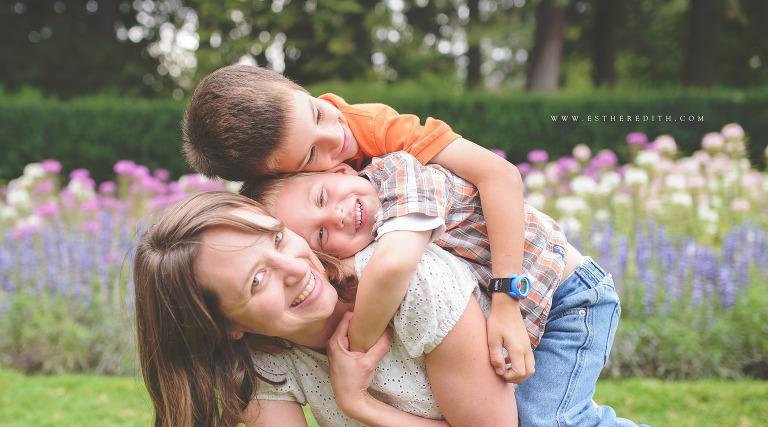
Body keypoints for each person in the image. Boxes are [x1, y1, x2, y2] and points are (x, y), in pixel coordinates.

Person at [244, 151, 751, 427]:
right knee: (538, 421)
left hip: (563, 295)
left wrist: (356, 370)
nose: (334, 216)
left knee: (550, 426)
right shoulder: (338, 273)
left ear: (338, 168)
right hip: (520, 319)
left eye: (280, 240)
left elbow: (494, 178)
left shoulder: (399, 199)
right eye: (317, 234)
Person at [133, 191, 648, 427]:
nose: (295, 267)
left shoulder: (412, 284)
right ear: (225, 327)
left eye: (275, 238)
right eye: (258, 278)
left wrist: (360, 404)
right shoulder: (265, 364)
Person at [182, 64, 535, 384]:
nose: (336, 136)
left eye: (318, 113)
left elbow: (500, 176)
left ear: (301, 90)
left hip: (527, 271)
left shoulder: (378, 131)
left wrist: (506, 301)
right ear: (287, 174)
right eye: (310, 154)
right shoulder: (314, 204)